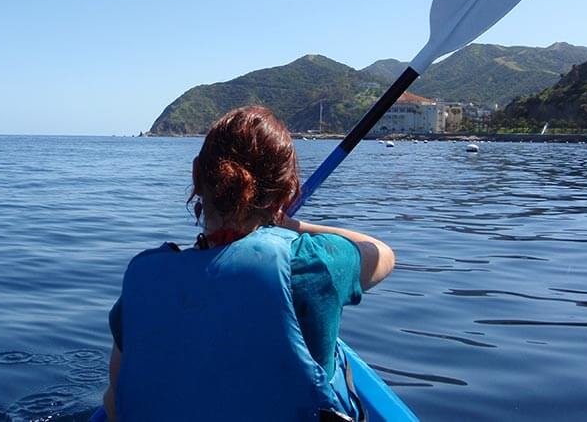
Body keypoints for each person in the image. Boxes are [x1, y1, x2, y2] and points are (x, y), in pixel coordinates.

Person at [102, 106, 395, 422]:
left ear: (196, 176)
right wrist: (295, 226)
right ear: (286, 192)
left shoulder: (144, 277)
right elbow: (381, 253)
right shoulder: (310, 264)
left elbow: (116, 401)